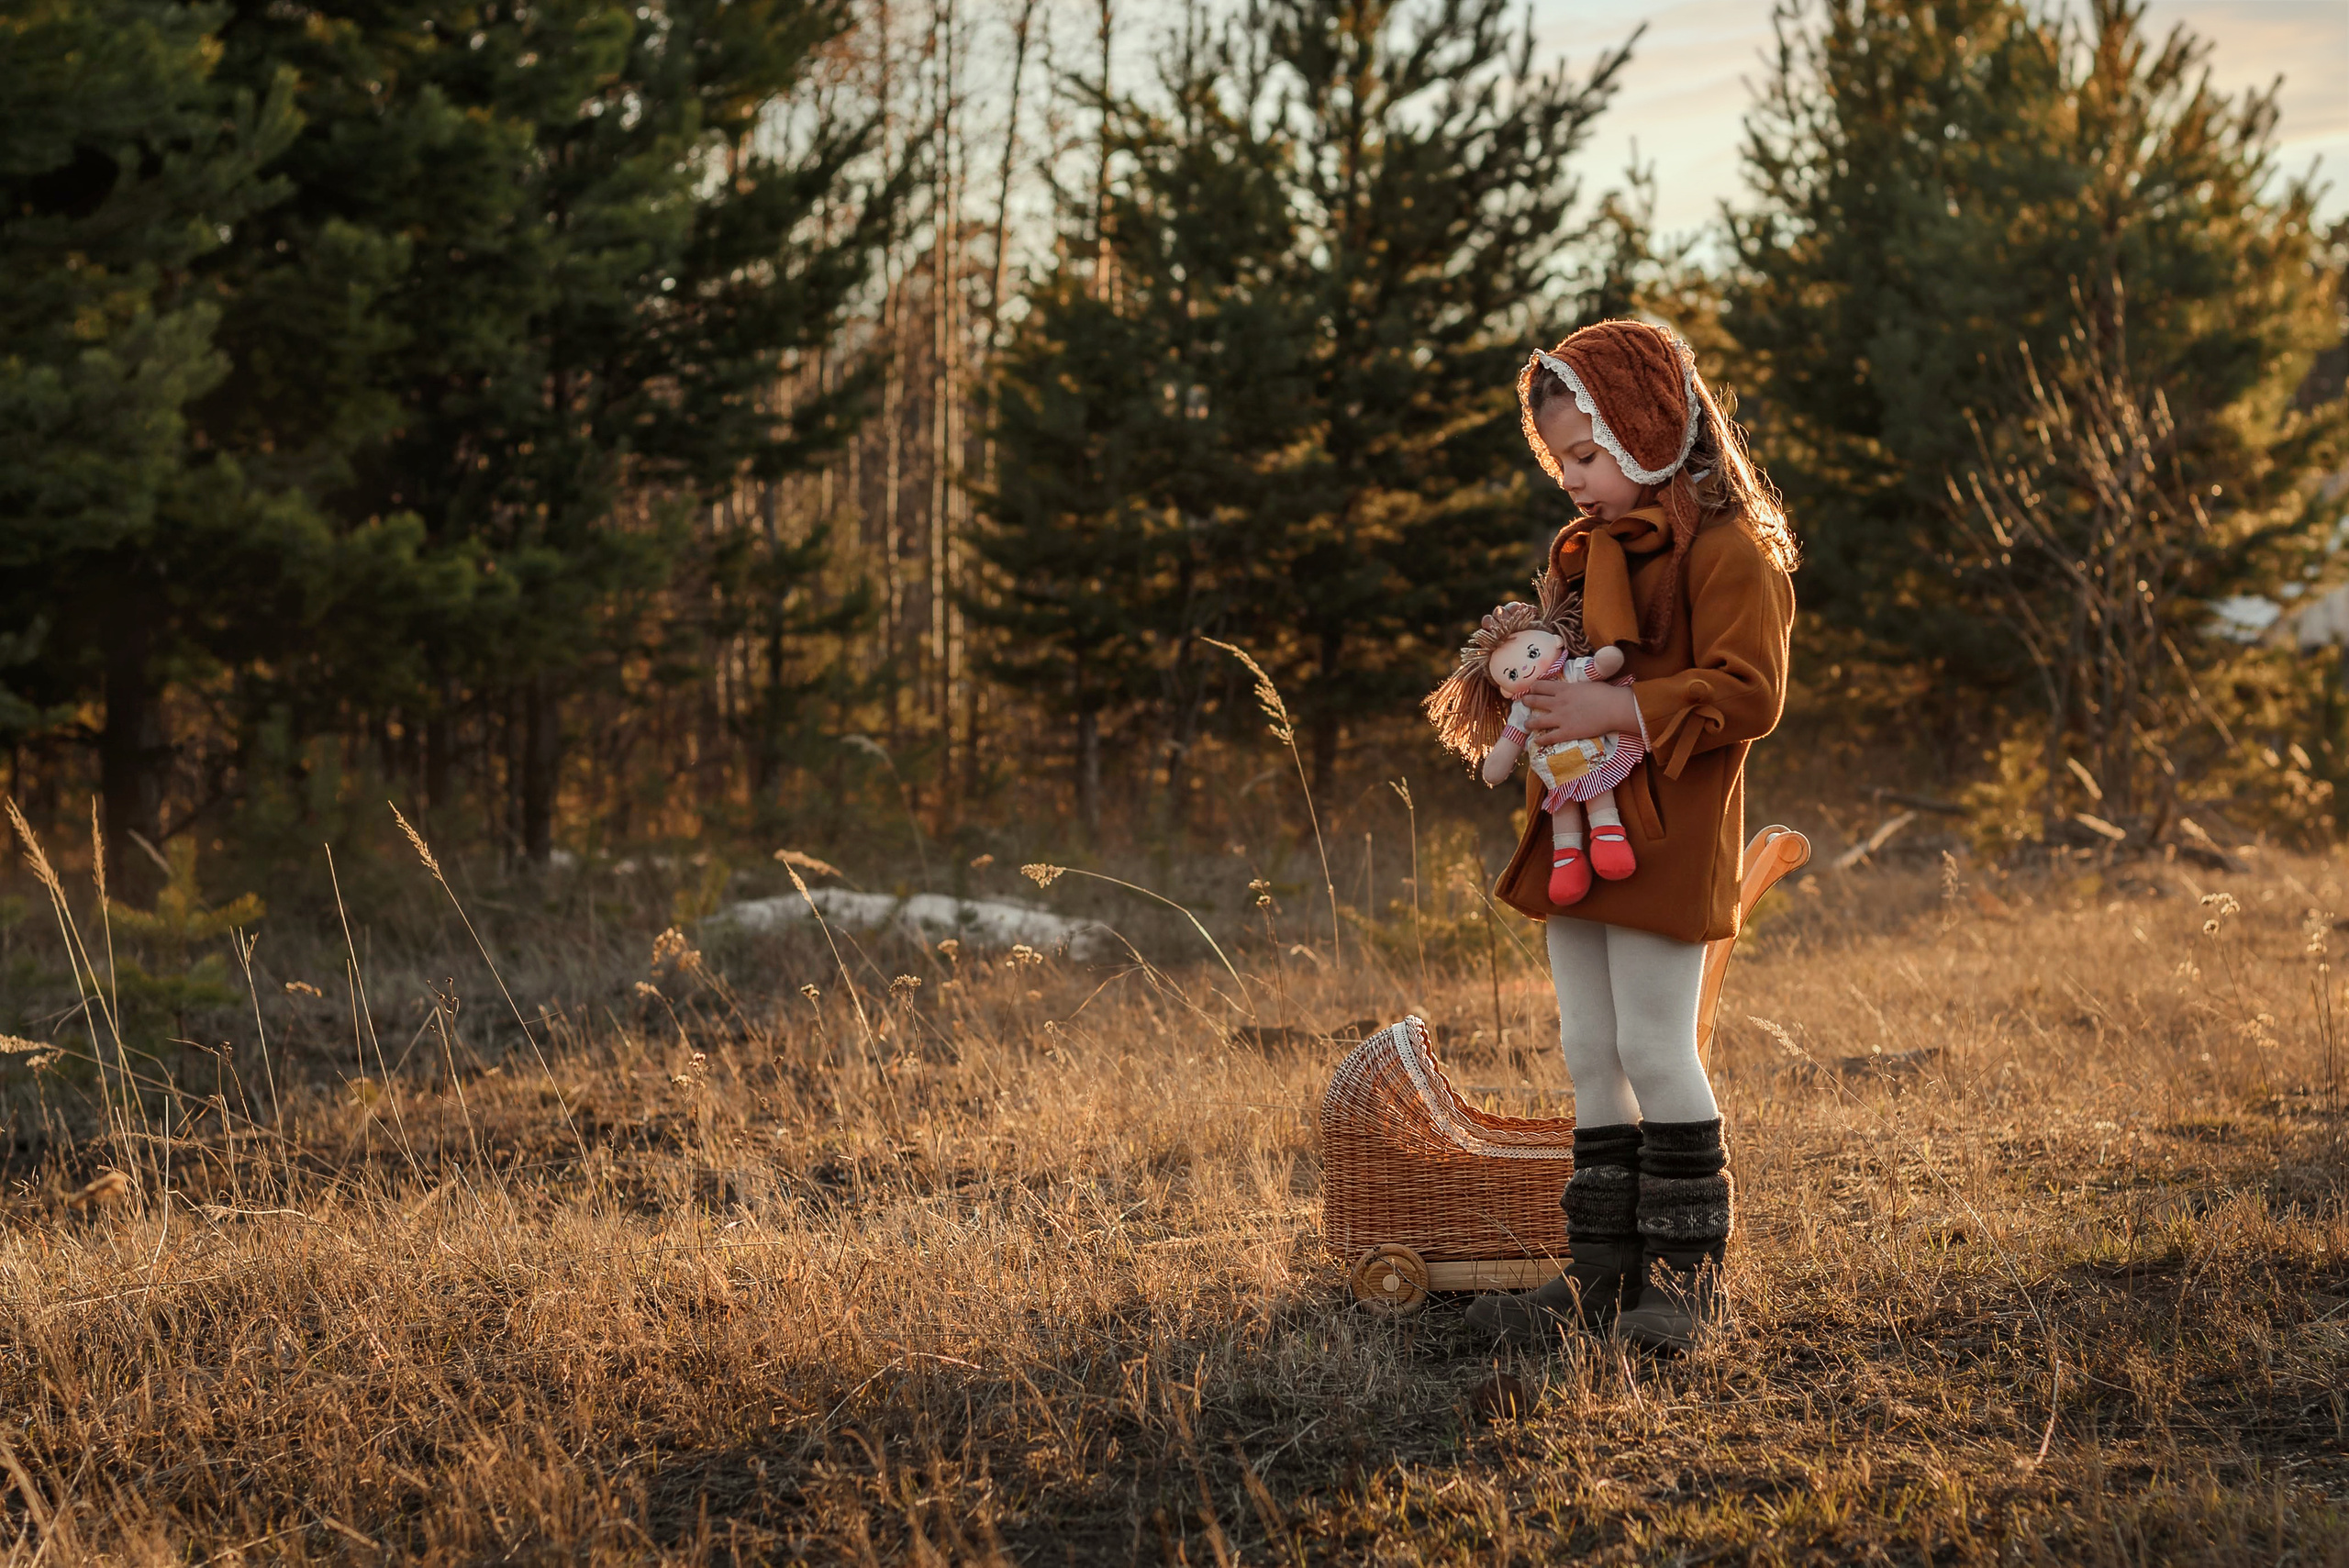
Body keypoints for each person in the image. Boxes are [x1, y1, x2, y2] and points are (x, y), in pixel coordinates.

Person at [1463, 319, 1798, 1352]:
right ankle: (1600, 1274)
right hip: (1575, 834)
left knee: (1656, 1044)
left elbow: (1752, 694)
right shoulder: (1586, 556)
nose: (1570, 477)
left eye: (1588, 454)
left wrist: (1616, 711)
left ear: (1653, 430)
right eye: (1559, 458)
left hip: (1666, 836)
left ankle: (1686, 1286)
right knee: (1589, 1048)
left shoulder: (1730, 552)